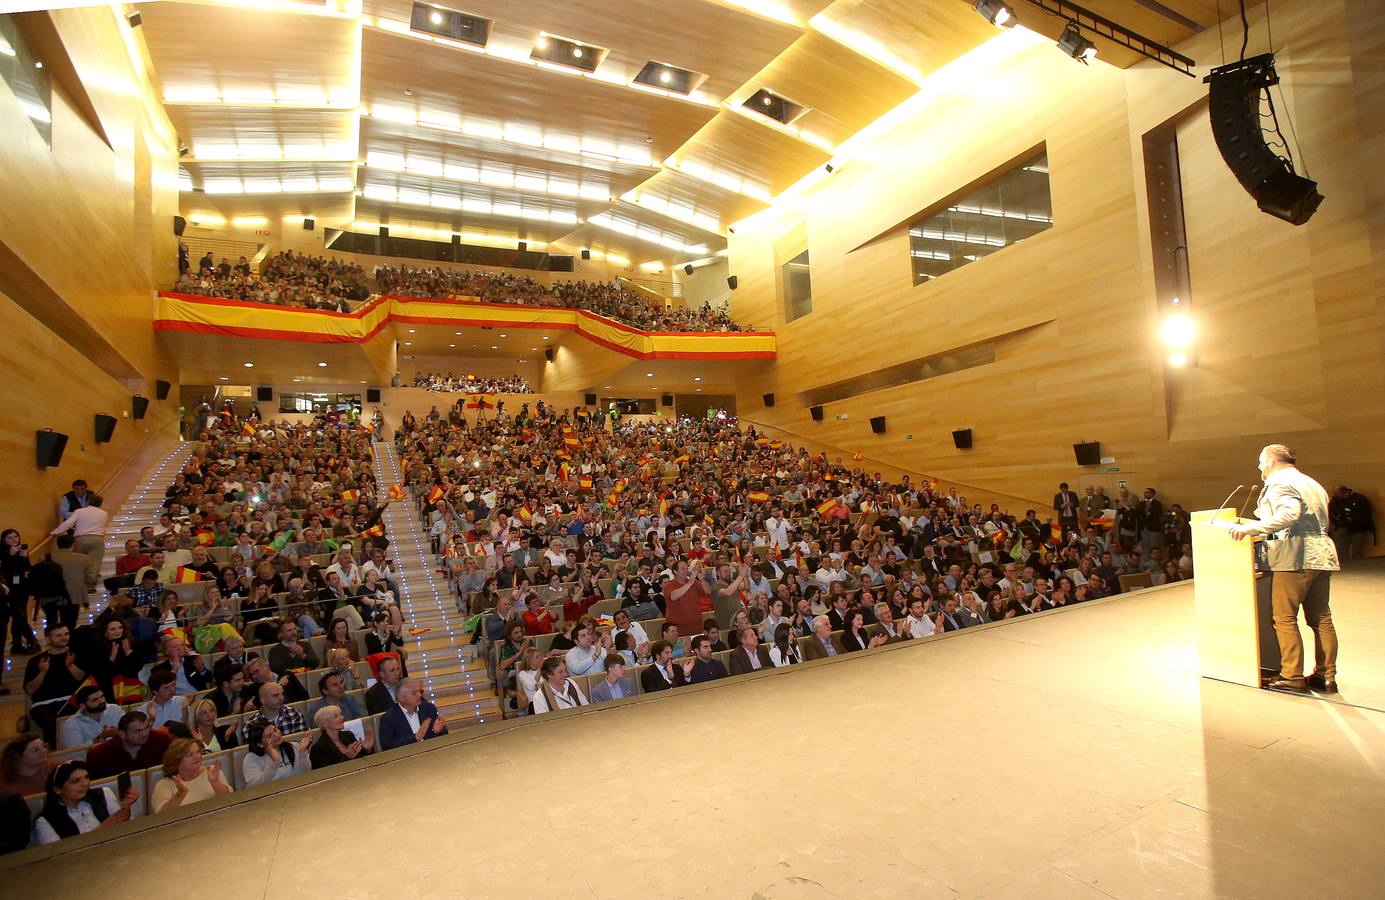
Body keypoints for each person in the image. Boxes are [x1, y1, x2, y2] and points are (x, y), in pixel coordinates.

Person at [1228, 444, 1340, 694]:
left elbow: (1290, 514)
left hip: (1296, 556)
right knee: (1321, 618)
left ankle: (1291, 676)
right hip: (1321, 553)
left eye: (1260, 461)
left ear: (1271, 461)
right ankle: (1326, 676)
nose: (1258, 467)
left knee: (1284, 617)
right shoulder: (1311, 482)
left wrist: (1251, 529)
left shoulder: (1280, 482)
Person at [33, 761, 138, 844]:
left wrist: (126, 807)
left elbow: (126, 829)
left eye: (86, 777)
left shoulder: (103, 794)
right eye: (76, 781)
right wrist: (104, 827)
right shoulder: (45, 821)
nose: (85, 784)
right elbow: (58, 856)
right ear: (57, 789)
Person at [24, 622, 85, 744]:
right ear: (48, 639)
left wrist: (71, 666)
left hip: (71, 699)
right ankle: (58, 753)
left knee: (73, 717)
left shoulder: (76, 655)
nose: (64, 638)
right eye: (58, 635)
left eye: (66, 634)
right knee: (51, 721)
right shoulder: (36, 660)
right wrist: (42, 673)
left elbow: (81, 678)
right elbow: (30, 690)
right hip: (43, 704)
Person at [151, 738, 232, 813]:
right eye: (190, 755)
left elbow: (228, 800)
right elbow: (162, 816)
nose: (197, 756)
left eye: (198, 752)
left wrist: (215, 783)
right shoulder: (164, 784)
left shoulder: (212, 771)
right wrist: (180, 794)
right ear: (176, 761)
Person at [85, 712, 174, 778]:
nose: (145, 734)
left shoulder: (162, 740)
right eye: (138, 731)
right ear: (122, 734)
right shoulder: (99, 754)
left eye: (147, 728)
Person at [50, 495, 108, 592]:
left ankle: (79, 586)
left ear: (88, 501)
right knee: (94, 564)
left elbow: (68, 523)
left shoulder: (79, 511)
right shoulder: (104, 513)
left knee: (79, 563)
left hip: (81, 539)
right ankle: (90, 586)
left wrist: (55, 532)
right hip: (97, 539)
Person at [378, 678, 449, 750]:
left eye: (420, 692)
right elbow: (388, 747)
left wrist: (436, 731)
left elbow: (444, 733)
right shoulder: (388, 718)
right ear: (401, 698)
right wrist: (415, 738)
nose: (420, 695)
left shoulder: (429, 708)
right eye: (414, 693)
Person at [1, 528, 38, 656]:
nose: (14, 540)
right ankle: (33, 641)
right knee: (19, 616)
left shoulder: (21, 548)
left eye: (16, 536)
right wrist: (9, 556)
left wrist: (23, 557)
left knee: (19, 616)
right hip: (8, 588)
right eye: (10, 538)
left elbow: (27, 568)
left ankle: (17, 644)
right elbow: (4, 570)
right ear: (4, 540)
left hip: (22, 586)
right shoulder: (2, 551)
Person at [241, 720, 311, 787]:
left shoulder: (293, 746)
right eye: (269, 735)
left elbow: (306, 772)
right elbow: (254, 786)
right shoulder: (251, 758)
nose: (276, 735)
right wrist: (274, 764)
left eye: (275, 730)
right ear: (260, 744)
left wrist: (302, 753)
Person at [58, 685, 124, 749]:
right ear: (83, 705)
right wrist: (100, 737)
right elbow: (75, 753)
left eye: (102, 696)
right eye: (95, 700)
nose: (101, 701)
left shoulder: (115, 709)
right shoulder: (71, 724)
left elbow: (129, 732)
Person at [309, 705, 374, 770]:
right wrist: (347, 757)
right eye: (336, 716)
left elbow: (365, 762)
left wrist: (367, 750)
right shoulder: (318, 748)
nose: (342, 717)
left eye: (341, 715)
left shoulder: (348, 735)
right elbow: (326, 774)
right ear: (324, 724)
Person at [1328, 485, 1374, 562]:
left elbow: (1366, 513)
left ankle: (1357, 565)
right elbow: (1332, 512)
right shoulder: (1335, 500)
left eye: (1340, 496)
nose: (1339, 498)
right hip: (1342, 527)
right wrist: (1337, 521)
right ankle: (1344, 565)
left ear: (1346, 492)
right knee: (1341, 548)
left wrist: (1353, 520)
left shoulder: (1360, 499)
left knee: (1357, 548)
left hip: (1358, 528)